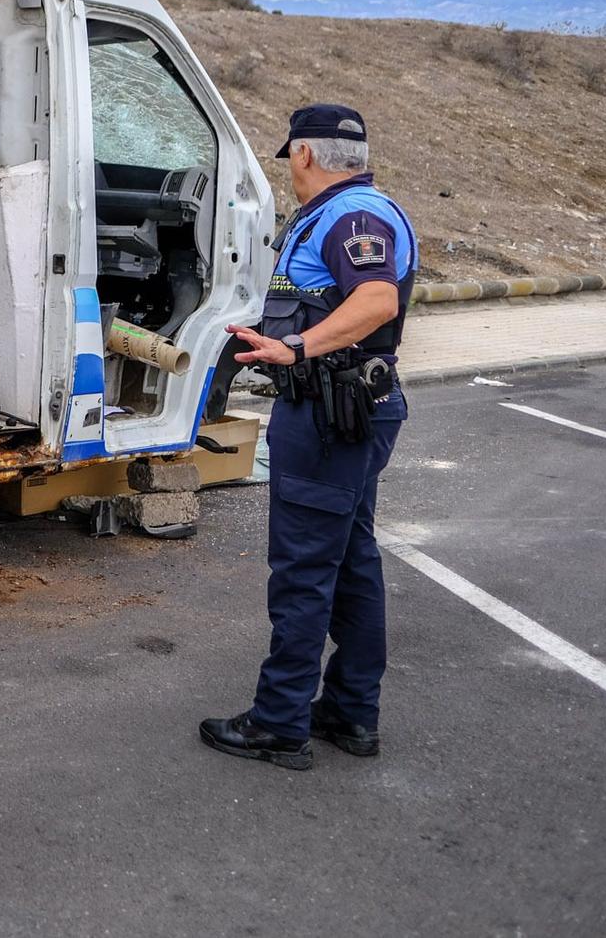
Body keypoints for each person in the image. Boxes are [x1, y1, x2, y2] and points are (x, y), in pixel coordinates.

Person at [200, 103, 416, 770]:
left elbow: (376, 300)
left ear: (304, 156)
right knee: (351, 564)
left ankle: (280, 723)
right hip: (346, 411)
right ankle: (350, 714)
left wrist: (295, 349)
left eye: (288, 157)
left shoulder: (355, 217)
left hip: (331, 417)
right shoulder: (347, 212)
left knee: (304, 572)